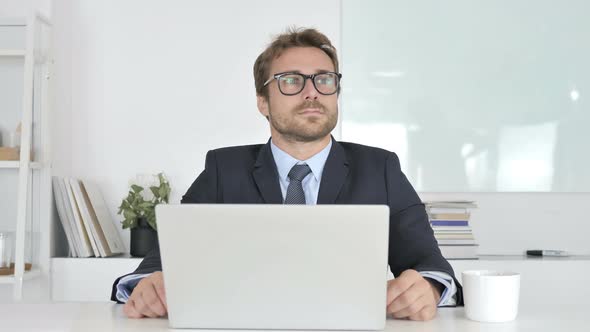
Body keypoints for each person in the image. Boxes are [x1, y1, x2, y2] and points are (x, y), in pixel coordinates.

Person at [111, 27, 463, 321]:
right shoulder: (223, 170)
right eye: (291, 80)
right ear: (262, 101)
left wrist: (427, 288)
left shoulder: (380, 169)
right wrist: (149, 285)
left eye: (324, 79)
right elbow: (159, 264)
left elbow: (430, 265)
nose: (312, 92)